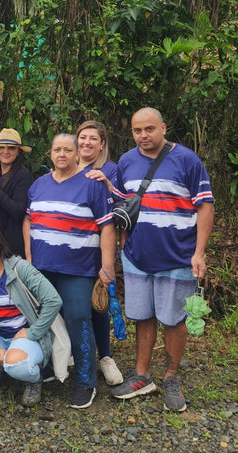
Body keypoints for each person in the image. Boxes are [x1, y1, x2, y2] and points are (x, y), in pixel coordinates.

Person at [110, 107, 214, 412]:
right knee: (142, 316)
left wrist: (199, 251)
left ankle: (171, 376)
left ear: (163, 128)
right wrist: (123, 248)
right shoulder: (126, 162)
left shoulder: (187, 160)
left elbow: (205, 206)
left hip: (177, 255)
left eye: (149, 129)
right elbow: (122, 206)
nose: (143, 136)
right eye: (137, 130)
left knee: (173, 319)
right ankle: (142, 375)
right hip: (137, 257)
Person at [23, 133, 116, 409]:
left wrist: (107, 265)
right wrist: (29, 256)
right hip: (42, 267)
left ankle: (86, 382)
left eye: (67, 150)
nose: (61, 154)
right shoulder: (39, 184)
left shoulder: (92, 184)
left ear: (77, 154)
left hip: (79, 269)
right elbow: (28, 220)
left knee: (78, 318)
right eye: (56, 150)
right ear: (50, 153)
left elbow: (107, 226)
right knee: (48, 320)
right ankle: (53, 367)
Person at [0, 223, 62, 406]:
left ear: (0, 242)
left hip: (26, 336)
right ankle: (1, 367)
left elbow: (54, 300)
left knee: (16, 363)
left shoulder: (19, 267)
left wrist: (34, 332)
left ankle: (33, 379)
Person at [76, 120, 123, 386]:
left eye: (93, 138)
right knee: (73, 304)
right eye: (82, 137)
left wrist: (106, 182)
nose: (86, 143)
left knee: (99, 302)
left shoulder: (111, 169)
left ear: (102, 143)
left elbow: (123, 203)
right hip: (73, 248)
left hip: (99, 246)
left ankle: (105, 356)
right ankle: (77, 353)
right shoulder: (69, 166)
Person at [0, 128, 34, 257]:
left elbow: (18, 211)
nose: (5, 151)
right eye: (1, 147)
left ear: (18, 152)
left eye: (11, 148)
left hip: (13, 248)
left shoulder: (23, 175)